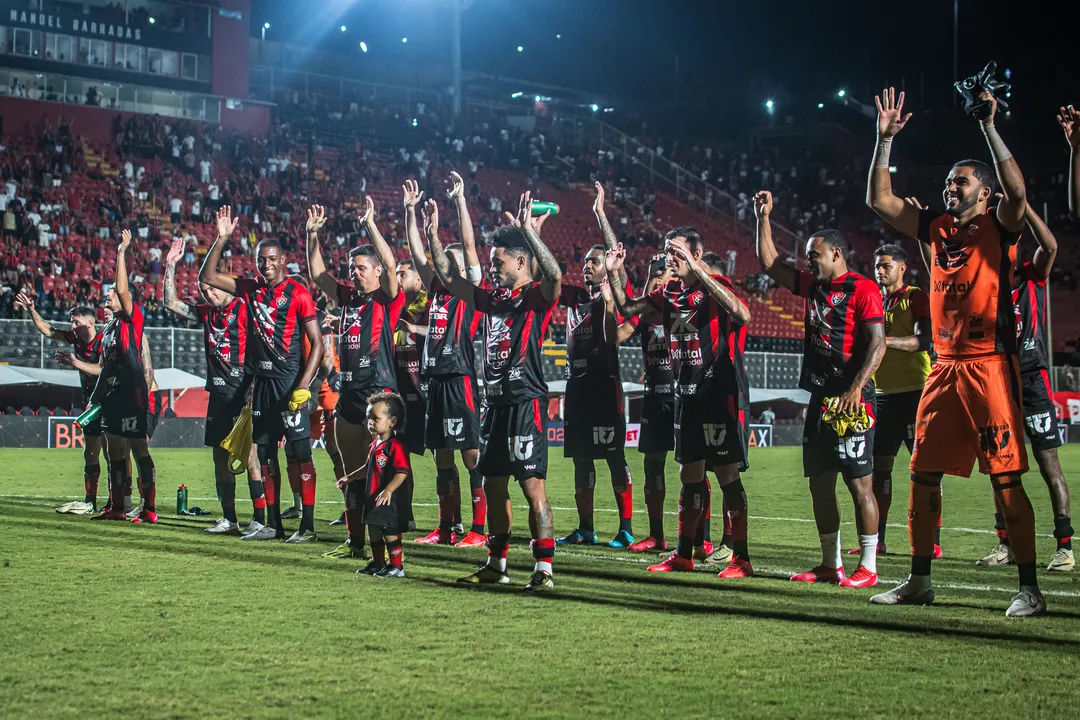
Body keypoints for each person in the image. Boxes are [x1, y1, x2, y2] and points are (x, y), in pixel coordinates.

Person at [866, 86, 1043, 616]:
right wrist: (884, 142)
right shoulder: (937, 227)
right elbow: (880, 200)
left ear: (982, 193)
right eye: (946, 182)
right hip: (943, 368)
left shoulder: (1000, 225)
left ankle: (1028, 586)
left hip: (990, 365)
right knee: (922, 473)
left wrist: (988, 125)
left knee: (1006, 476)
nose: (949, 188)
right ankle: (920, 579)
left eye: (959, 182)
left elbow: (1018, 191)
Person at [426, 191, 561, 591]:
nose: (492, 268)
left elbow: (554, 276)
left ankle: (544, 570)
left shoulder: (535, 298)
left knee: (532, 486)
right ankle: (496, 563)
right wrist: (433, 234)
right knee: (495, 483)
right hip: (496, 405)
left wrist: (530, 234)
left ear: (520, 262)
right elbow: (450, 280)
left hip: (526, 403)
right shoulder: (491, 299)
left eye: (498, 262)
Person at [608, 224, 755, 580]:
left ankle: (742, 558)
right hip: (685, 395)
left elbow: (743, 315)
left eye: (676, 251)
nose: (668, 257)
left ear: (696, 254)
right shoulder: (670, 293)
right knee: (689, 474)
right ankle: (684, 554)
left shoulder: (716, 289)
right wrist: (615, 273)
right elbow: (628, 307)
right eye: (667, 250)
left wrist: (701, 272)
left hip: (718, 394)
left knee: (726, 475)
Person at [756, 190, 886, 589]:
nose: (809, 259)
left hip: (854, 399)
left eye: (815, 253)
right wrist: (763, 218)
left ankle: (868, 565)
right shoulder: (813, 286)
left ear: (837, 254)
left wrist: (855, 388)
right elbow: (770, 264)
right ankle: (831, 564)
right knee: (819, 482)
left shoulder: (863, 289)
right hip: (820, 398)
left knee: (859, 481)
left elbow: (878, 343)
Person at [200, 206, 324, 543]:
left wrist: (303, 387)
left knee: (300, 456)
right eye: (261, 259)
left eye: (272, 259)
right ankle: (272, 525)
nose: (266, 265)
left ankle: (308, 527)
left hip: (290, 386)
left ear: (283, 261)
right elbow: (208, 277)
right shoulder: (250, 289)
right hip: (263, 387)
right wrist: (222, 238)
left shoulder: (298, 293)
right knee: (266, 457)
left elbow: (318, 345)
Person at [974, 206, 1073, 571]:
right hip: (997, 378)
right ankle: (1006, 544)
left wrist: (1024, 206)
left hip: (1032, 379)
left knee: (1049, 465)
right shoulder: (985, 284)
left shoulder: (1032, 277)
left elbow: (1050, 247)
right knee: (1000, 468)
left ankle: (1064, 546)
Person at [306, 200, 403, 560]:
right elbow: (318, 275)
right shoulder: (346, 298)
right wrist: (311, 234)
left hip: (377, 396)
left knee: (379, 477)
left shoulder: (387, 299)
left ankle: (387, 550)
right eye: (352, 268)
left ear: (377, 271)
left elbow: (392, 264)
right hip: (347, 397)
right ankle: (356, 542)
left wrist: (371, 225)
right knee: (351, 476)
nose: (355, 273)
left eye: (361, 267)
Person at [162, 235, 265, 538]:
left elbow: (261, 349)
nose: (208, 293)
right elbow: (170, 303)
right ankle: (230, 519)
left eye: (212, 287)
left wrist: (254, 388)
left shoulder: (246, 309)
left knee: (250, 457)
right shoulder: (208, 314)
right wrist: (170, 266)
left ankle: (259, 519)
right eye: (204, 290)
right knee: (220, 457)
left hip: (243, 394)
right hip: (218, 396)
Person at [406, 173, 487, 548]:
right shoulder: (435, 290)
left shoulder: (468, 290)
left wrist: (460, 201)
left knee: (471, 455)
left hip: (461, 378)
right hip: (435, 380)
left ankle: (479, 529)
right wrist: (411, 215)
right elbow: (419, 255)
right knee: (441, 457)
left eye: (448, 260)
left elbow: (469, 247)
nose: (441, 264)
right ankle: (445, 526)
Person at [556, 182, 637, 549]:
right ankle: (586, 528)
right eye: (585, 261)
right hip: (577, 387)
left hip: (605, 386)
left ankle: (626, 528)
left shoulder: (617, 292)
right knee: (580, 460)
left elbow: (615, 253)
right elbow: (548, 279)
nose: (587, 265)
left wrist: (600, 214)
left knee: (613, 457)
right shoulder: (574, 297)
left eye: (594, 260)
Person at [848, 244, 932, 558]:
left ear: (902, 267)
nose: (880, 271)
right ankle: (877, 540)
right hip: (880, 398)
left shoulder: (915, 296)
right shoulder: (874, 300)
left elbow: (924, 340)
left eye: (886, 265)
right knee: (879, 472)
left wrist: (885, 342)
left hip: (914, 393)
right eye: (877, 265)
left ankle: (930, 540)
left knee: (923, 471)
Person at [85, 230, 159, 524]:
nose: (108, 297)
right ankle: (117, 506)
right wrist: (95, 400)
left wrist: (121, 253)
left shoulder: (132, 317)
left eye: (111, 294)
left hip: (133, 397)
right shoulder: (107, 332)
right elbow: (105, 369)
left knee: (139, 448)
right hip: (112, 399)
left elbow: (124, 290)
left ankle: (149, 508)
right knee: (114, 450)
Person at [16, 296, 104, 514]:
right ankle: (90, 501)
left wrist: (76, 363)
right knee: (90, 453)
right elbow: (49, 330)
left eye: (76, 322)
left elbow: (104, 369)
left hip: (109, 402)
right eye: (71, 321)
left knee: (113, 453)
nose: (72, 326)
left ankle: (119, 502)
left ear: (90, 322)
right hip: (90, 403)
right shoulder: (75, 338)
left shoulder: (104, 340)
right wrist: (32, 310)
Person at [355, 392, 414, 578]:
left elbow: (402, 472)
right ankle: (378, 562)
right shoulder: (375, 445)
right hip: (373, 497)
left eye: (375, 418)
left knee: (390, 532)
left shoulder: (396, 446)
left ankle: (397, 566)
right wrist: (349, 478)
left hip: (390, 499)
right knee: (373, 528)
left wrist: (388, 490)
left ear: (392, 421)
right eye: (368, 418)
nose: (370, 423)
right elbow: (367, 467)